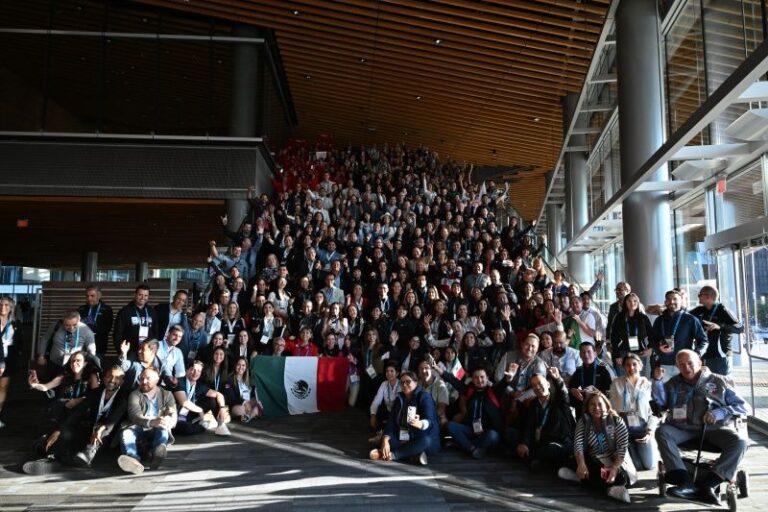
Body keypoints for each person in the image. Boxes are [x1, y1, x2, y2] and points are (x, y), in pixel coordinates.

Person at [653, 349, 749, 505]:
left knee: (740, 442)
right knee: (662, 431)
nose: (686, 368)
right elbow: (661, 404)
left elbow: (744, 407)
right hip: (682, 428)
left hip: (714, 429)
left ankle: (709, 485)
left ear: (699, 362)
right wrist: (657, 381)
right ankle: (685, 483)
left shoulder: (719, 381)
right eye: (681, 364)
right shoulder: (673, 384)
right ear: (677, 366)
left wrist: (721, 411)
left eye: (690, 363)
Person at [22, 366, 128, 474]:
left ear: (122, 381)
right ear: (104, 378)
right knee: (67, 433)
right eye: (109, 376)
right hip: (89, 431)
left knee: (102, 431)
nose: (112, 380)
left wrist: (100, 429)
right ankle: (51, 457)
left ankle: (87, 455)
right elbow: (78, 413)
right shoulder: (95, 393)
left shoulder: (123, 397)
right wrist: (59, 431)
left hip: (107, 435)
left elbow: (114, 418)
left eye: (117, 377)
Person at [559, 391, 634, 503]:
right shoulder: (584, 421)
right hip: (594, 460)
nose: (596, 407)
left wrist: (614, 468)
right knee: (570, 460)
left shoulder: (616, 421)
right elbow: (578, 444)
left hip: (613, 461)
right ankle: (608, 487)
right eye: (592, 404)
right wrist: (581, 464)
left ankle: (584, 480)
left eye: (600, 404)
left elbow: (622, 448)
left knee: (621, 478)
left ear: (607, 405)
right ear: (588, 407)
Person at [509, 367, 575, 472]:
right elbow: (528, 426)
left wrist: (558, 379)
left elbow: (564, 394)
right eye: (534, 385)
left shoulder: (559, 402)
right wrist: (524, 443)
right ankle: (538, 461)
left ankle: (531, 458)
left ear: (548, 384)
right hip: (538, 441)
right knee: (511, 433)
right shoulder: (533, 403)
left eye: (540, 383)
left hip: (556, 441)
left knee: (551, 449)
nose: (537, 387)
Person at [369, 370, 440, 465]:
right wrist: (385, 440)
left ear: (416, 382)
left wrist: (421, 424)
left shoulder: (424, 396)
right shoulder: (399, 398)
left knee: (426, 441)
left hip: (422, 437)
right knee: (387, 440)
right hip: (405, 436)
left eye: (408, 381)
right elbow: (391, 422)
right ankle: (413, 456)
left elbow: (430, 420)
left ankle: (391, 455)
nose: (404, 385)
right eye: (402, 382)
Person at [117, 367, 177, 474]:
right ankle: (133, 461)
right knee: (126, 433)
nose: (143, 382)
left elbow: (172, 413)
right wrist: (151, 422)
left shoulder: (167, 395)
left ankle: (158, 453)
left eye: (148, 378)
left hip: (158, 427)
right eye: (141, 378)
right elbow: (134, 415)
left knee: (163, 429)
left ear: (157, 379)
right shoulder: (135, 394)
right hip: (139, 426)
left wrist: (169, 420)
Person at [441, 364, 507, 459]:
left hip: (486, 432)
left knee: (493, 436)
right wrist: (439, 370)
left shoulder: (493, 391)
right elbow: (453, 381)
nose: (479, 380)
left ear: (487, 377)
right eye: (476, 377)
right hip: (471, 430)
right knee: (450, 425)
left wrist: (508, 378)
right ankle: (472, 448)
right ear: (472, 379)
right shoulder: (469, 390)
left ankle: (464, 445)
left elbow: (503, 384)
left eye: (482, 377)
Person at [608, 354, 657, 470]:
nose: (631, 368)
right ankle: (628, 446)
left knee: (649, 465)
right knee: (637, 466)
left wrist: (650, 432)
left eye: (634, 364)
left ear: (640, 365)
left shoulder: (648, 385)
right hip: (623, 428)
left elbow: (655, 413)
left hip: (642, 428)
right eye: (628, 365)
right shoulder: (616, 383)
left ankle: (638, 446)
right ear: (623, 367)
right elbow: (612, 409)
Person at [651, 289, 708, 380]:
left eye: (675, 299)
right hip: (664, 365)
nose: (671, 302)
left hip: (684, 365)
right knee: (666, 393)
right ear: (665, 302)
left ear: (681, 301)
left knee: (685, 393)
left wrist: (696, 354)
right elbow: (652, 340)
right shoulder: (659, 320)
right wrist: (658, 348)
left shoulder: (690, 319)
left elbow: (703, 341)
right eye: (668, 299)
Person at [689, 285, 743, 376]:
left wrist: (719, 326)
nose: (698, 297)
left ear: (708, 296)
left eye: (699, 295)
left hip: (720, 356)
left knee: (721, 386)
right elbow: (683, 316)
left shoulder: (723, 310)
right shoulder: (700, 310)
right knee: (706, 386)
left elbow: (740, 328)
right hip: (703, 355)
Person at [173, 360, 231, 435]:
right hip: (179, 414)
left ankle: (221, 425)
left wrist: (222, 408)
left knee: (212, 400)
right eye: (193, 369)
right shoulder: (180, 382)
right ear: (187, 370)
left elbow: (219, 395)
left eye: (198, 371)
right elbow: (184, 403)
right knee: (185, 429)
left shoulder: (199, 385)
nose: (195, 373)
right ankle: (204, 424)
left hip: (190, 414)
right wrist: (200, 410)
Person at [610, 293, 653, 377]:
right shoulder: (619, 317)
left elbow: (652, 335)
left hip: (640, 352)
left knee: (639, 379)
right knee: (624, 379)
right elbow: (614, 337)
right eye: (629, 301)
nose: (632, 303)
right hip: (623, 352)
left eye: (635, 301)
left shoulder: (643, 318)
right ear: (625, 303)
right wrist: (617, 355)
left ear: (638, 303)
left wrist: (650, 348)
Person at [568, 342, 613, 419]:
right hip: (583, 406)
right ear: (580, 355)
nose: (586, 355)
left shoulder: (603, 369)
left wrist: (597, 393)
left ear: (595, 354)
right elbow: (571, 388)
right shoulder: (579, 371)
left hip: (600, 405)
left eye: (589, 352)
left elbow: (611, 391)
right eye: (583, 352)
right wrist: (573, 391)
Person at [113, 284, 157, 355]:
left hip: (147, 351)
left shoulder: (152, 312)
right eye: (140, 295)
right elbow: (118, 333)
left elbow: (155, 331)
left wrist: (154, 347)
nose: (143, 297)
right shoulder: (125, 311)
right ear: (135, 295)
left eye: (146, 295)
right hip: (130, 351)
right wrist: (121, 351)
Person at [78, 285, 114, 362]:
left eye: (92, 296)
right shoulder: (80, 309)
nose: (89, 298)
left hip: (99, 345)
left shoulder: (107, 310)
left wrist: (91, 326)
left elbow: (107, 329)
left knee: (95, 368)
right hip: (81, 344)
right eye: (87, 296)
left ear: (99, 295)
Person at [0, 296, 20, 428]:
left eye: (6, 305)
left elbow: (18, 342)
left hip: (9, 359)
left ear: (11, 307)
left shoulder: (15, 323)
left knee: (2, 388)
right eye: (1, 304)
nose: (3, 307)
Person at [417, 359, 450, 428]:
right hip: (420, 415)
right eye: (421, 369)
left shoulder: (440, 385)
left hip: (435, 416)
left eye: (426, 368)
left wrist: (426, 419)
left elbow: (441, 409)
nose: (423, 371)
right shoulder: (417, 384)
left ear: (432, 370)